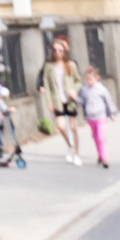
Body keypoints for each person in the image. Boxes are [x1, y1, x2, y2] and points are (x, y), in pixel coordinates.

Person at [39, 36, 82, 165]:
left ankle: (77, 154)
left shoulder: (70, 64)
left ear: (65, 51)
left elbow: (78, 81)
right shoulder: (48, 66)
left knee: (73, 127)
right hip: (57, 101)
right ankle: (70, 146)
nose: (57, 52)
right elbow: (46, 83)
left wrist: (74, 90)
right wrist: (49, 102)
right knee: (61, 127)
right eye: (55, 50)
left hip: (70, 101)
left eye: (60, 50)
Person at [78, 65, 116, 168]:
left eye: (90, 79)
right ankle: (100, 155)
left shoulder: (101, 89)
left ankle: (105, 159)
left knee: (101, 137)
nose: (88, 81)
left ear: (96, 78)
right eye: (87, 79)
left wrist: (111, 113)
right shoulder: (85, 89)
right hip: (90, 118)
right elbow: (82, 101)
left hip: (101, 116)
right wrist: (75, 97)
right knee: (95, 137)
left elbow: (108, 101)